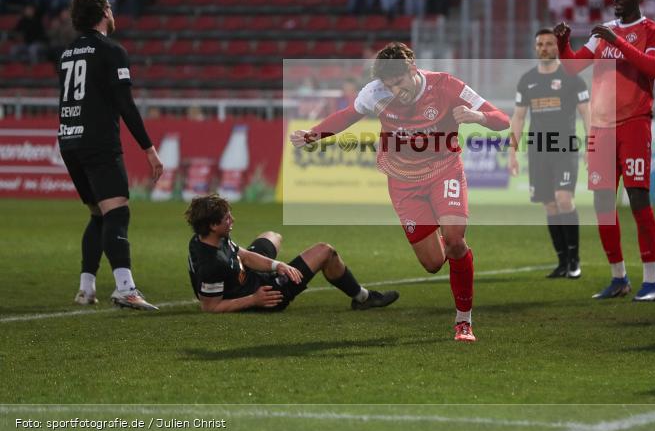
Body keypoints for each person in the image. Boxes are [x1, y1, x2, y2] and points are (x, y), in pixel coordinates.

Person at [290, 43, 510, 342]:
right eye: (389, 85)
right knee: (433, 264)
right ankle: (445, 235)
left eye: (399, 82)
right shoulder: (374, 92)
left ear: (412, 68)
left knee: (456, 240)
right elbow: (346, 116)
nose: (396, 91)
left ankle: (463, 321)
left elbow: (502, 119)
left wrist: (478, 117)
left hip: (444, 168)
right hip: (403, 180)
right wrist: (313, 134)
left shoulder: (446, 86)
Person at [555, 0, 655, 302]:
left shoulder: (654, 32)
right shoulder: (603, 32)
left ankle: (651, 282)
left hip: (634, 124)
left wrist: (617, 41)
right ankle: (618, 277)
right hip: (601, 128)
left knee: (638, 201)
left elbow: (653, 68)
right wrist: (564, 44)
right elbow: (573, 68)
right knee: (603, 204)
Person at [59, 0, 163, 310]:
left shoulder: (68, 52)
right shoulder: (111, 50)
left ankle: (86, 288)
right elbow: (125, 104)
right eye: (111, 7)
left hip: (69, 140)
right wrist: (148, 148)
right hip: (98, 142)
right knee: (117, 213)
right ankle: (125, 287)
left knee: (99, 215)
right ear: (104, 11)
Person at [186, 194, 399, 312]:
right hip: (267, 294)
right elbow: (210, 306)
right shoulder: (212, 264)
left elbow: (244, 255)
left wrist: (277, 265)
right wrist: (254, 299)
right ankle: (363, 297)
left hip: (250, 277)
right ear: (213, 225)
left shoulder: (204, 239)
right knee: (325, 251)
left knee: (272, 236)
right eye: (227, 220)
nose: (232, 221)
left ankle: (274, 269)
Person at [509, 28, 591, 278]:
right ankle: (562, 261)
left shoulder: (572, 78)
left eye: (549, 44)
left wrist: (592, 145)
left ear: (558, 47)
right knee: (550, 206)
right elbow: (519, 117)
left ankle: (575, 260)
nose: (544, 48)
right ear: (536, 48)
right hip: (537, 150)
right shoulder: (527, 80)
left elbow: (587, 113)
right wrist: (512, 151)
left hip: (564, 148)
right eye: (540, 44)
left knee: (564, 199)